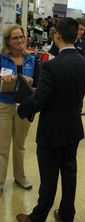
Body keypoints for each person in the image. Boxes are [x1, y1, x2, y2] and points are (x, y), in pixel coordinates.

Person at [15, 17, 85, 222]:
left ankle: (37, 218)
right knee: (69, 174)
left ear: (57, 36)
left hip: (51, 131)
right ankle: (67, 214)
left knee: (48, 178)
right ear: (77, 35)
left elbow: (40, 99)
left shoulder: (52, 66)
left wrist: (22, 109)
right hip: (73, 128)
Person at [0, 24, 40, 193]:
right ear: (8, 41)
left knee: (20, 144)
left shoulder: (32, 59)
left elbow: (39, 86)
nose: (19, 40)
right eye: (15, 37)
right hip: (4, 105)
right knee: (1, 146)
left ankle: (20, 177)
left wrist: (31, 82)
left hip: (24, 107)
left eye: (21, 37)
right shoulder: (1, 58)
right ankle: (0, 182)